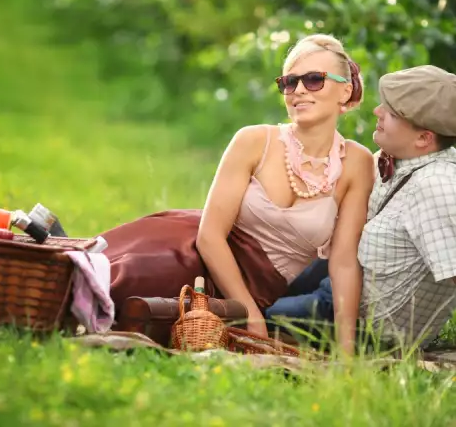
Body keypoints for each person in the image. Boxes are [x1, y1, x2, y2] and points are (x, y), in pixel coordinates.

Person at [101, 33, 374, 355]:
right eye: (289, 82)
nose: (299, 90)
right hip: (200, 253)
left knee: (158, 312)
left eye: (314, 80)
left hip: (266, 287)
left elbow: (343, 262)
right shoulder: (254, 140)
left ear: (345, 90)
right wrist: (251, 314)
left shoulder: (357, 162)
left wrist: (346, 351)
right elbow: (210, 236)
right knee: (132, 278)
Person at [267, 65, 456, 351]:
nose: (377, 112)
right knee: (260, 285)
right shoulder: (397, 157)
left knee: (260, 317)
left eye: (391, 114)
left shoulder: (437, 186)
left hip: (367, 326)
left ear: (423, 139)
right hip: (343, 274)